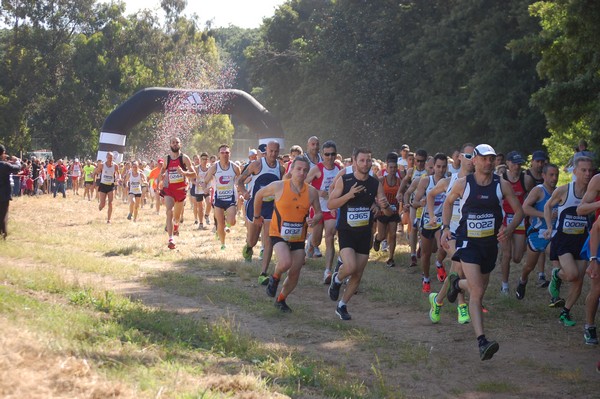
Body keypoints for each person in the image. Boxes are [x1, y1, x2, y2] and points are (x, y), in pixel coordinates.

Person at [442, 144, 523, 360]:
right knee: (477, 290)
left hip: (489, 246)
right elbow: (448, 203)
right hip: (468, 243)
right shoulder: (463, 184)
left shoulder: (501, 185)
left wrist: (509, 228)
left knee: (480, 289)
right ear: (475, 160)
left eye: (492, 159)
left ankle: (456, 284)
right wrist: (446, 228)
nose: (488, 162)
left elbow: (519, 211)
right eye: (484, 158)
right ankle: (482, 342)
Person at [327, 147, 393, 321]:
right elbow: (331, 204)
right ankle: (337, 278)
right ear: (354, 162)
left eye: (369, 160)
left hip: (365, 233)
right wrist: (349, 195)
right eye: (362, 160)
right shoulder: (345, 180)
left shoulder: (375, 183)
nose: (366, 164)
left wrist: (382, 206)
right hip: (346, 231)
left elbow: (386, 213)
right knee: (350, 267)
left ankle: (342, 305)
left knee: (358, 273)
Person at [254, 155, 322, 312]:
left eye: (305, 170)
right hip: (278, 233)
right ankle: (275, 277)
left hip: (298, 236)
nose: (301, 173)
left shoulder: (312, 192)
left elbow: (319, 213)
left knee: (295, 272)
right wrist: (257, 216)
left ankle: (281, 299)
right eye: (298, 169)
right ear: (291, 170)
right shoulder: (279, 186)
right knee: (285, 263)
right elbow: (259, 195)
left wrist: (315, 219)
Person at [427, 144, 475, 325]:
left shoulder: (477, 183)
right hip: (449, 232)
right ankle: (462, 306)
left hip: (469, 234)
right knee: (460, 264)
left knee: (457, 270)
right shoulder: (449, 181)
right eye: (468, 155)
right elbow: (430, 195)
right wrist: (433, 217)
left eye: (474, 156)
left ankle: (437, 300)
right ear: (460, 157)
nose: (472, 160)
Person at [543, 156, 593, 326]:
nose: (587, 174)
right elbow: (547, 206)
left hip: (582, 239)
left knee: (579, 280)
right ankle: (557, 274)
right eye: (583, 170)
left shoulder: (593, 193)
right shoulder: (565, 190)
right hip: (563, 239)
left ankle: (565, 312)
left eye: (590, 170)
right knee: (571, 275)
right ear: (575, 171)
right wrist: (550, 226)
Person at [238, 141, 284, 283]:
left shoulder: (281, 169)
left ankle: (263, 273)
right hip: (255, 205)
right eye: (270, 151)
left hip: (271, 207)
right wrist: (245, 192)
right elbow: (239, 180)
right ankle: (248, 247)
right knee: (252, 239)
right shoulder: (257, 165)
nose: (273, 154)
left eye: (276, 151)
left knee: (268, 239)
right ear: (266, 151)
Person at [515, 163, 559, 300]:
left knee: (557, 261)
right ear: (543, 176)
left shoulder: (560, 191)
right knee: (529, 266)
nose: (554, 178)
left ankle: (555, 296)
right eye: (551, 175)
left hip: (554, 233)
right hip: (538, 232)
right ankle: (522, 280)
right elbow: (525, 208)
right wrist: (544, 214)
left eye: (556, 175)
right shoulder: (538, 190)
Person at [306, 140, 342, 283]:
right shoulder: (317, 168)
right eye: (327, 154)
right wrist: (317, 191)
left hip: (331, 208)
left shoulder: (339, 169)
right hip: (317, 208)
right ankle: (311, 244)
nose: (330, 157)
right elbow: (304, 184)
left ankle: (327, 271)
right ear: (323, 154)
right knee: (316, 240)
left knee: (330, 236)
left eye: (333, 154)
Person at [413, 152, 449, 293]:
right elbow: (414, 201)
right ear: (433, 166)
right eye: (438, 166)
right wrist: (420, 203)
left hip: (442, 219)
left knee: (444, 246)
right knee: (426, 253)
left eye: (444, 167)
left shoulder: (449, 182)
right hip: (427, 220)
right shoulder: (426, 181)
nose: (441, 170)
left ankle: (439, 263)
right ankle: (426, 278)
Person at [499, 151, 534, 294]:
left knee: (517, 258)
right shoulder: (501, 179)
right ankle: (505, 286)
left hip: (519, 219)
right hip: (504, 218)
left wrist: (531, 215)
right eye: (514, 163)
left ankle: (516, 245)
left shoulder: (526, 179)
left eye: (519, 163)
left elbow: (533, 197)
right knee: (506, 254)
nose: (517, 166)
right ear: (507, 163)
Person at [159, 137, 196, 249]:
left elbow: (194, 174)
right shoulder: (166, 159)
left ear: (180, 144)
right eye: (173, 142)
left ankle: (176, 226)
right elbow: (161, 173)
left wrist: (184, 172)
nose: (175, 144)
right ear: (170, 144)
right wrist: (162, 176)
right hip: (169, 190)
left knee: (177, 217)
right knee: (169, 211)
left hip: (180, 191)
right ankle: (171, 239)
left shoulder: (184, 158)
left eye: (177, 142)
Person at [204, 144, 241, 250]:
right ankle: (223, 244)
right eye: (222, 152)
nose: (225, 154)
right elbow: (205, 181)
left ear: (230, 154)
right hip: (218, 199)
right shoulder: (214, 167)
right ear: (219, 154)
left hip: (230, 199)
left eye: (227, 152)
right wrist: (205, 188)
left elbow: (240, 180)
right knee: (220, 223)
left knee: (232, 222)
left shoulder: (235, 167)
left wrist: (242, 188)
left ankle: (228, 220)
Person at [372, 152, 402, 268]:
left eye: (395, 167)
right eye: (391, 167)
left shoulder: (399, 181)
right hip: (382, 211)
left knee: (393, 235)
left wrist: (402, 199)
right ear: (386, 168)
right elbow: (373, 193)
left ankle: (391, 258)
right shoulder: (381, 180)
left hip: (394, 212)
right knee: (382, 235)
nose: (393, 170)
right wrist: (377, 203)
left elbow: (403, 193)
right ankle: (377, 239)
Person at [401, 149, 429, 267]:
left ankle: (421, 247)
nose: (420, 163)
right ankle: (413, 255)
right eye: (417, 161)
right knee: (413, 228)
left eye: (422, 161)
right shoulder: (411, 171)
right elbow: (404, 184)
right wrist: (402, 198)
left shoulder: (429, 171)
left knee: (424, 230)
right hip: (414, 204)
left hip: (426, 204)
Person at [0, 145, 22, 239]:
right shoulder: (5, 165)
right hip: (3, 194)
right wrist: (17, 160)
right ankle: (3, 233)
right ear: (2, 153)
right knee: (3, 214)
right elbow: (17, 168)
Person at [94, 152, 119, 223]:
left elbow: (118, 173)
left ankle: (109, 219)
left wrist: (118, 178)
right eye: (109, 158)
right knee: (103, 203)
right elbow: (96, 171)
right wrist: (93, 176)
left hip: (110, 185)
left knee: (110, 202)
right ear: (106, 158)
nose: (110, 159)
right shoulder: (102, 165)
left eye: (111, 158)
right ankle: (100, 206)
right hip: (103, 185)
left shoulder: (115, 166)